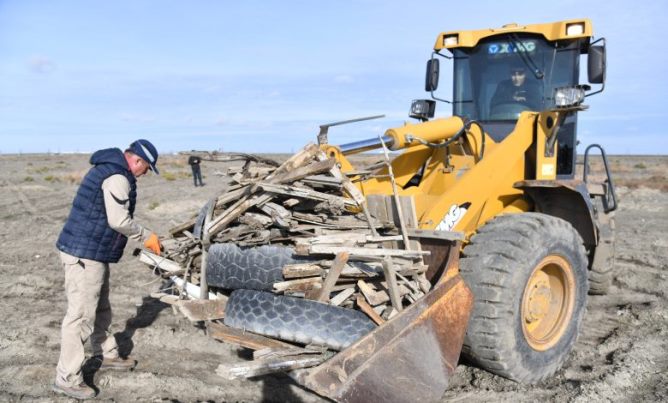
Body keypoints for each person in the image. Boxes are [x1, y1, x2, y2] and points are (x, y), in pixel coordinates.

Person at [53, 139, 163, 399]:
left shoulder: (110, 168)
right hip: (84, 253)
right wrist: (146, 236)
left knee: (100, 305)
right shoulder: (117, 177)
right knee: (80, 316)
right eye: (146, 168)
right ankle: (66, 378)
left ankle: (107, 353)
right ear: (136, 160)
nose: (145, 173)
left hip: (92, 250)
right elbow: (118, 220)